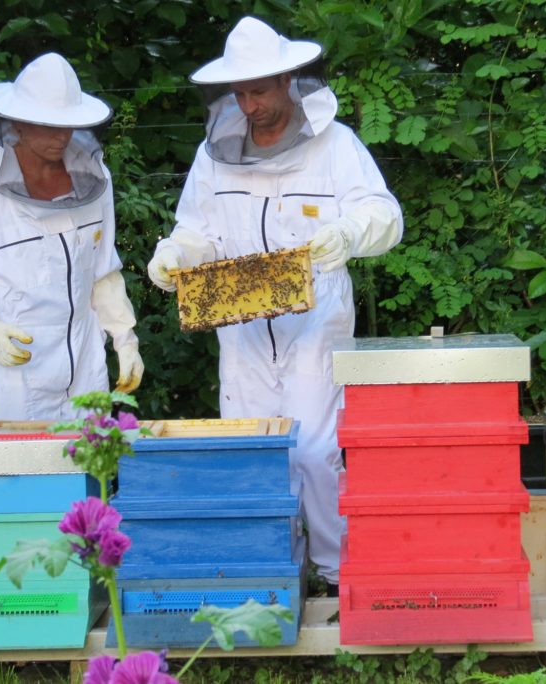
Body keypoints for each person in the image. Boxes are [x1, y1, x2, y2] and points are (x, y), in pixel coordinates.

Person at [146, 17, 403, 594]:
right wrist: (175, 253)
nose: (249, 104)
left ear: (288, 80)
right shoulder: (214, 154)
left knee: (314, 453)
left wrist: (345, 235)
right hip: (240, 331)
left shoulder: (336, 144)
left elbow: (386, 217)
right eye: (238, 93)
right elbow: (199, 228)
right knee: (255, 456)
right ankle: (272, 578)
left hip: (315, 325)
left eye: (259, 90)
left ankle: (339, 577)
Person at [0, 53, 143, 420]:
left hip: (87, 376)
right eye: (48, 125)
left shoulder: (96, 182)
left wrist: (125, 339)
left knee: (90, 474)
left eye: (68, 124)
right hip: (15, 383)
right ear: (17, 124)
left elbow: (103, 272)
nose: (62, 136)